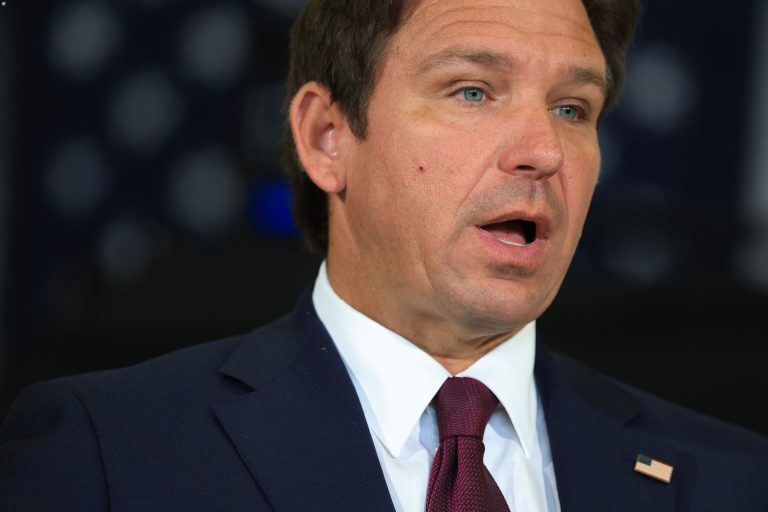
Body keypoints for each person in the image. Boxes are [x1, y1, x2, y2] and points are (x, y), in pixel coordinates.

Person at [2, 0, 767, 510]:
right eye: (472, 91)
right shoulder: (106, 456)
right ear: (327, 138)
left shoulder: (734, 480)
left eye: (573, 108)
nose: (544, 150)